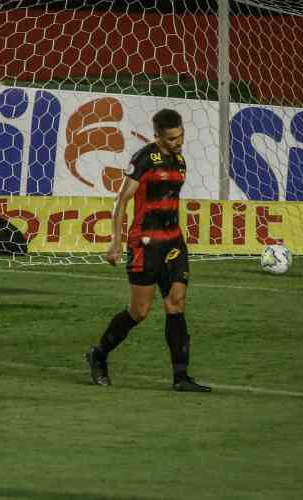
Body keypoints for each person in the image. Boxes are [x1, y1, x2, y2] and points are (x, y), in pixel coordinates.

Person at [85, 109, 211, 393]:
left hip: (173, 241)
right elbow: (121, 202)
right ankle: (99, 354)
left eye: (180, 137)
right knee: (139, 311)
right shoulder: (144, 159)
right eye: (170, 139)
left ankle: (181, 377)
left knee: (176, 303)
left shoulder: (179, 160)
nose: (177, 143)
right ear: (157, 136)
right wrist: (116, 241)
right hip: (145, 243)